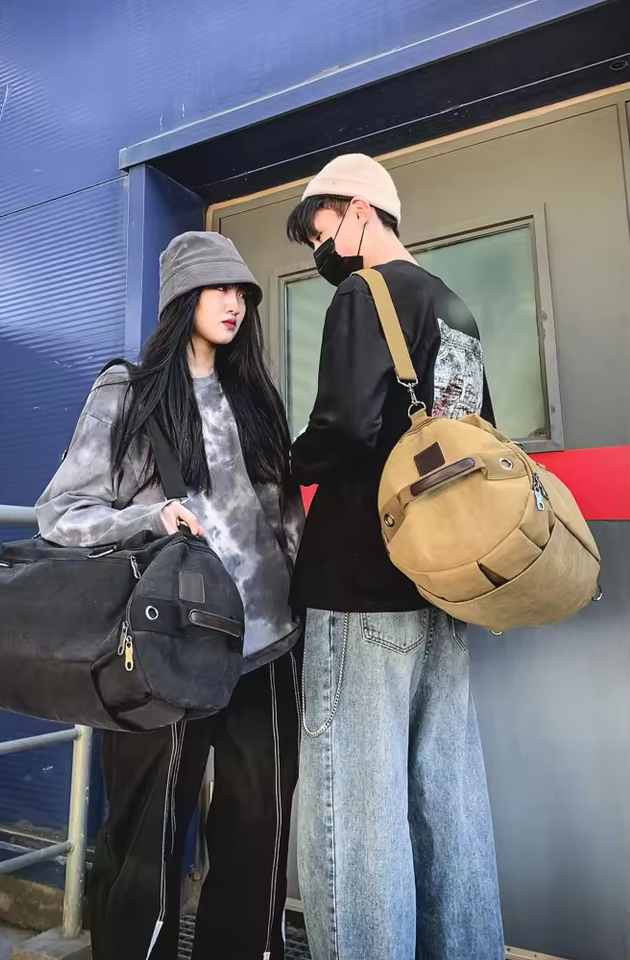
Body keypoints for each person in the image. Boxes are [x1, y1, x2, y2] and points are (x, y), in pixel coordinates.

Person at [36, 232, 304, 960]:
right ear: (183, 296)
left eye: (242, 292)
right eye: (219, 288)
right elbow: (62, 513)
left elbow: (283, 522)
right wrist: (149, 518)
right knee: (147, 837)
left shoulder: (255, 398)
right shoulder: (128, 391)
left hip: (268, 645)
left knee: (259, 832)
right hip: (169, 649)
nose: (234, 303)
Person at [285, 154, 505, 960]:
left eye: (322, 233)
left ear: (358, 210)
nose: (322, 253)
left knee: (358, 813)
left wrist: (281, 462)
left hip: (360, 585)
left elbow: (344, 425)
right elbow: (480, 439)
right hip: (444, 587)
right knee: (449, 802)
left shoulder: (364, 293)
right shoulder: (454, 307)